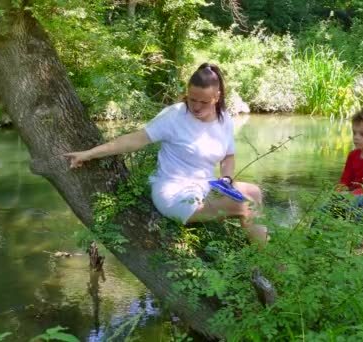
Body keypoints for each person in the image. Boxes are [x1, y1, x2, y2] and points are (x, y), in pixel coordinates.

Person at [63, 63, 268, 244]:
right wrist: (89, 154)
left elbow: (228, 157)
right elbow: (134, 140)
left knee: (254, 192)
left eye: (203, 102)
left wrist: (226, 179)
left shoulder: (225, 120)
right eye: (192, 99)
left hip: (206, 187)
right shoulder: (174, 115)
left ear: (217, 97)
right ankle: (269, 262)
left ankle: (258, 253)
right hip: (174, 193)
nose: (195, 107)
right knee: (244, 206)